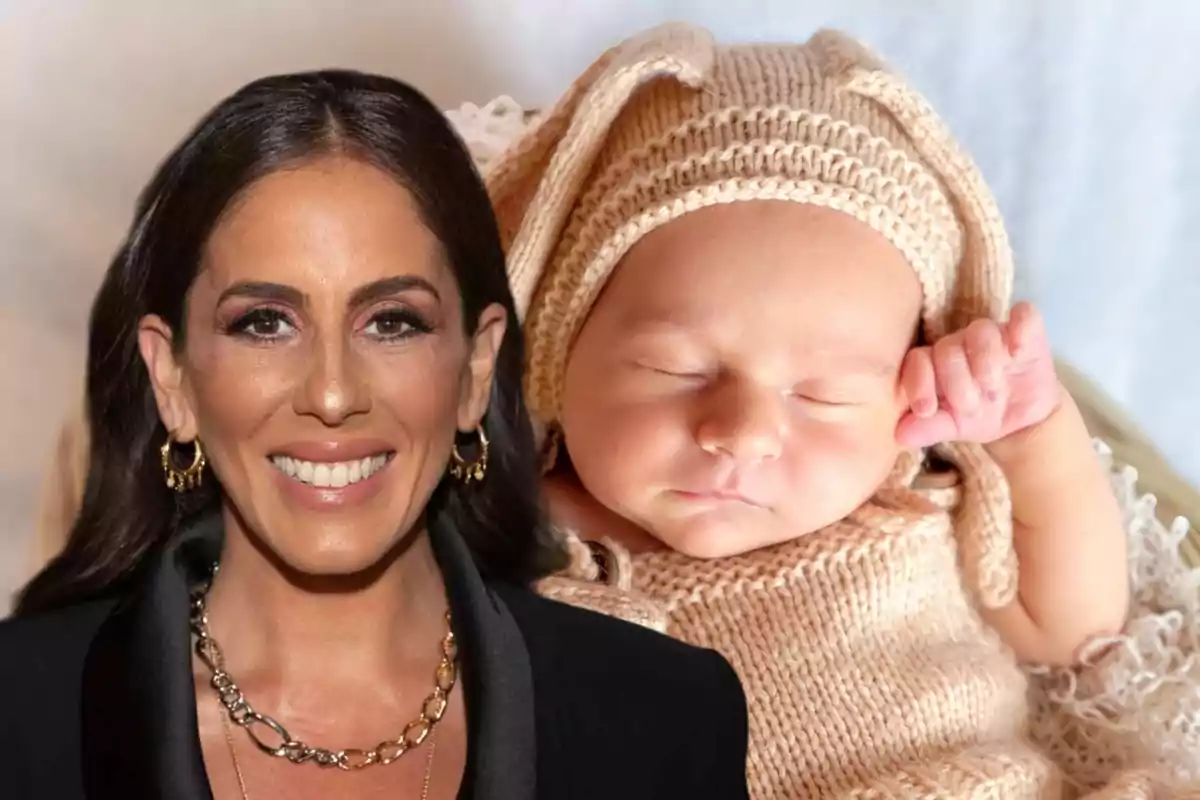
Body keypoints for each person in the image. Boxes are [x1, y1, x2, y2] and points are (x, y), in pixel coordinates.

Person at [488, 22, 1198, 799]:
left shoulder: (907, 501)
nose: (744, 433)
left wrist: (1032, 440)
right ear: (560, 349)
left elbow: (1076, 632)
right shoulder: (507, 537)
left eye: (823, 395)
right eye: (675, 368)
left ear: (903, 390)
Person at [0, 69, 750, 800]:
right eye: (265, 323)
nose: (331, 394)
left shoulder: (668, 720)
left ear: (475, 370)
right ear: (173, 379)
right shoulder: (18, 719)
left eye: (393, 322)